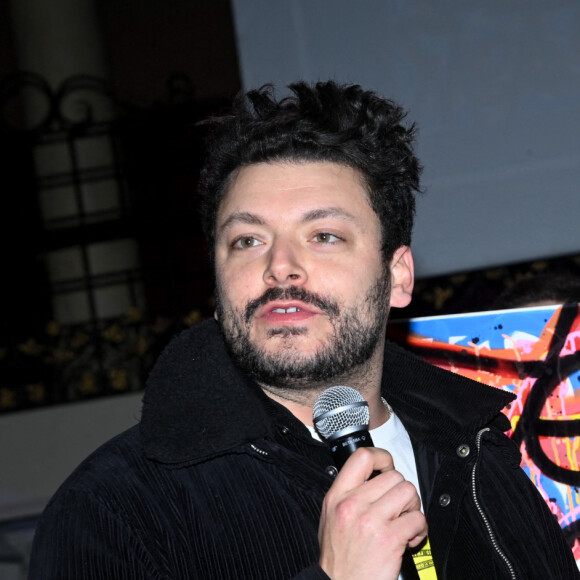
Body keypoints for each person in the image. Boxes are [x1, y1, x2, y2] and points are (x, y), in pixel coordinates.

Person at [29, 81, 579, 580]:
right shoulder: (117, 508)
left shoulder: (484, 457)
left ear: (397, 276)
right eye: (248, 240)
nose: (280, 267)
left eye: (324, 236)